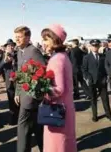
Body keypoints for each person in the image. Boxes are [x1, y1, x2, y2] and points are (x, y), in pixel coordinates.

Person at [41, 24, 77, 152]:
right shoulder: (63, 56)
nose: (43, 42)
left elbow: (59, 89)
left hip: (56, 110)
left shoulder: (56, 59)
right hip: (65, 108)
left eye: (46, 39)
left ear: (55, 40)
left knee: (57, 146)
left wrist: (41, 91)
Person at [14, 26, 45, 152]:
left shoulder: (33, 51)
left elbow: (43, 72)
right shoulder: (19, 52)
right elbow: (20, 73)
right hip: (24, 96)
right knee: (37, 128)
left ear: (27, 38)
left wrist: (33, 93)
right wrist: (17, 92)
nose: (16, 39)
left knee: (23, 129)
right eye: (15, 36)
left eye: (19, 37)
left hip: (31, 98)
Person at [82, 39, 111, 122]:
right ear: (90, 47)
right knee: (93, 99)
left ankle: (108, 114)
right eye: (93, 46)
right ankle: (95, 116)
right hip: (92, 81)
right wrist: (88, 78)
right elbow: (84, 69)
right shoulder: (86, 57)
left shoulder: (103, 56)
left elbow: (106, 68)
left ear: (99, 46)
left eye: (96, 46)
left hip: (102, 81)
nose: (95, 47)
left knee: (105, 98)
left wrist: (106, 77)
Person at [0, 39, 19, 125]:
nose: (10, 47)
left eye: (12, 45)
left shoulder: (17, 54)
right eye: (8, 46)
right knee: (11, 100)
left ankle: (19, 118)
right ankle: (13, 118)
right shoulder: (3, 55)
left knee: (18, 99)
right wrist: (5, 60)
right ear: (6, 47)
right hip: (8, 80)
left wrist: (14, 61)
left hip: (17, 80)